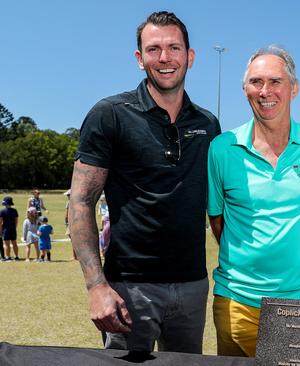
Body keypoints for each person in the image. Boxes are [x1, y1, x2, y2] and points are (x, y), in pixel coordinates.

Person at [70, 11, 220, 354]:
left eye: (174, 48)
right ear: (140, 59)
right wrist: (96, 287)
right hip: (128, 289)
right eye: (154, 49)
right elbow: (80, 201)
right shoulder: (109, 114)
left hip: (193, 286)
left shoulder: (209, 124)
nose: (164, 58)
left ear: (190, 56)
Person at [207, 45, 300, 357]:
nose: (265, 92)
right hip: (235, 301)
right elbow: (218, 220)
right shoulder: (222, 148)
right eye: (255, 82)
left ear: (294, 88)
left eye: (275, 81)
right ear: (245, 89)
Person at [0, 196, 20, 261]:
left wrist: (0, 231)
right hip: (13, 228)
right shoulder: (15, 211)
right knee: (14, 243)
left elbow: (0, 222)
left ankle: (8, 257)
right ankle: (16, 256)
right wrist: (14, 227)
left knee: (7, 244)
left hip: (5, 229)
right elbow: (16, 221)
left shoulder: (2, 211)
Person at [64, 189, 77, 260]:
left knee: (73, 240)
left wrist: (66, 222)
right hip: (77, 221)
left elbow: (66, 214)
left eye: (68, 195)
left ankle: (75, 256)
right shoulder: (77, 202)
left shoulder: (68, 202)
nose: (67, 196)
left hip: (71, 222)